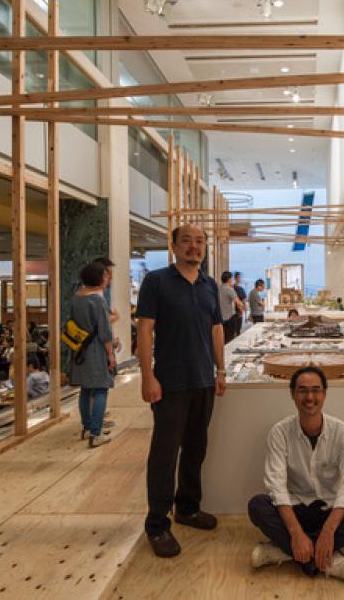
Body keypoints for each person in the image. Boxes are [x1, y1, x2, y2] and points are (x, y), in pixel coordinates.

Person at [137, 224, 227, 558]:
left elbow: (216, 329)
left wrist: (221, 370)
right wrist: (148, 376)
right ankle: (157, 525)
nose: (194, 246)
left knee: (195, 448)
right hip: (170, 383)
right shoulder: (157, 281)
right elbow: (144, 331)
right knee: (164, 454)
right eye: (186, 240)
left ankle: (187, 508)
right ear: (174, 246)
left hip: (203, 381)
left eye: (200, 241)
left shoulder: (208, 285)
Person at [247, 366, 344, 586]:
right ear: (292, 394)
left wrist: (328, 532)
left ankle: (283, 552)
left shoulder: (343, 432)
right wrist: (296, 533)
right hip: (295, 508)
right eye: (302, 390)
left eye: (316, 390)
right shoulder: (279, 432)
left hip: (328, 509)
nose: (310, 397)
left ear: (324, 394)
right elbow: (277, 487)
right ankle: (329, 560)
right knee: (257, 505)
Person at [70, 261, 117, 448]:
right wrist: (110, 354)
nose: (107, 278)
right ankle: (96, 434)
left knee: (85, 389)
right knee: (101, 389)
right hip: (96, 349)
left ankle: (87, 427)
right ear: (99, 278)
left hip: (80, 348)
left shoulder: (77, 297)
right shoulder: (98, 300)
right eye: (105, 275)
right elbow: (104, 331)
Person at [219, 271, 244, 344]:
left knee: (223, 339)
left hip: (220, 318)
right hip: (230, 318)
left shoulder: (218, 288)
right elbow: (238, 302)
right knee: (230, 339)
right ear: (229, 279)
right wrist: (242, 308)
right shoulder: (229, 289)